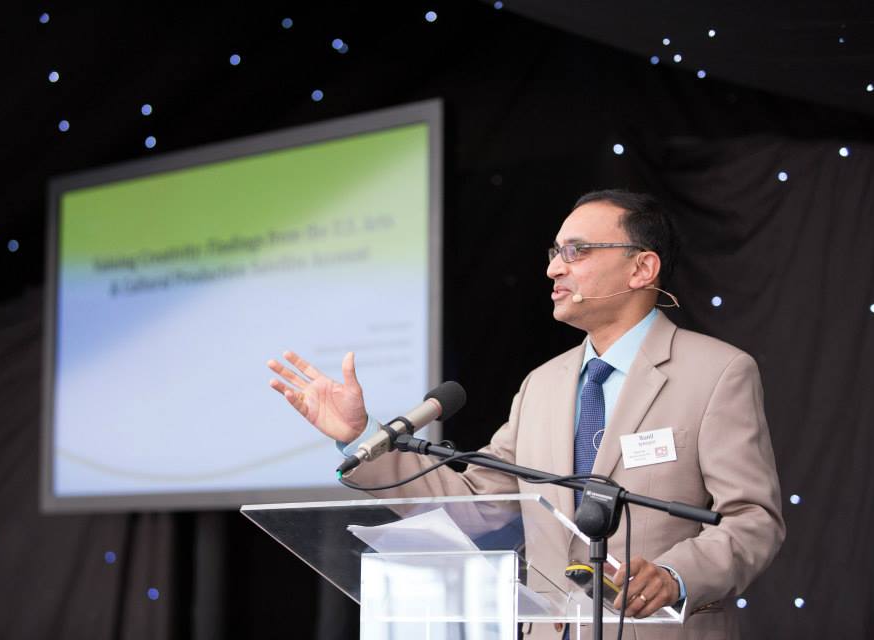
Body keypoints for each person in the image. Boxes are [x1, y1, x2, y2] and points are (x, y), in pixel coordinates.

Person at [268, 189, 785, 639]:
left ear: (642, 268)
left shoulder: (717, 372)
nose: (554, 268)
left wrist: (674, 574)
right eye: (555, 253)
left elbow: (753, 519)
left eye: (576, 251)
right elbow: (475, 504)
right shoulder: (542, 384)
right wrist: (362, 435)